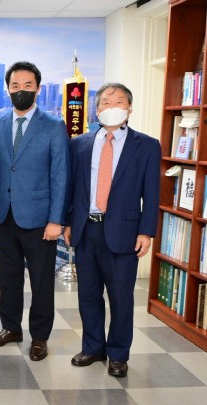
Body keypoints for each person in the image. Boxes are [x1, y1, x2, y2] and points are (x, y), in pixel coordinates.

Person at [64, 83, 160, 378]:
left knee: (120, 298)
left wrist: (146, 232)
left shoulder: (146, 145)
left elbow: (152, 193)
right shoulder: (79, 144)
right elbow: (72, 188)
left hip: (124, 233)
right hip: (86, 229)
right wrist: (68, 222)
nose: (112, 106)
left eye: (119, 101)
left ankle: (118, 354)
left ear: (130, 108)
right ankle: (93, 347)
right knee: (88, 295)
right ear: (96, 109)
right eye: (105, 102)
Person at [0, 61, 70, 361]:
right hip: (5, 215)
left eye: (27, 86)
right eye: (15, 86)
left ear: (38, 89)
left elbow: (60, 176)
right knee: (8, 277)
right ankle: (11, 328)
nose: (21, 91)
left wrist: (56, 219)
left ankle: (40, 337)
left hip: (41, 220)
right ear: (8, 89)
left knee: (41, 281)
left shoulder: (54, 126)